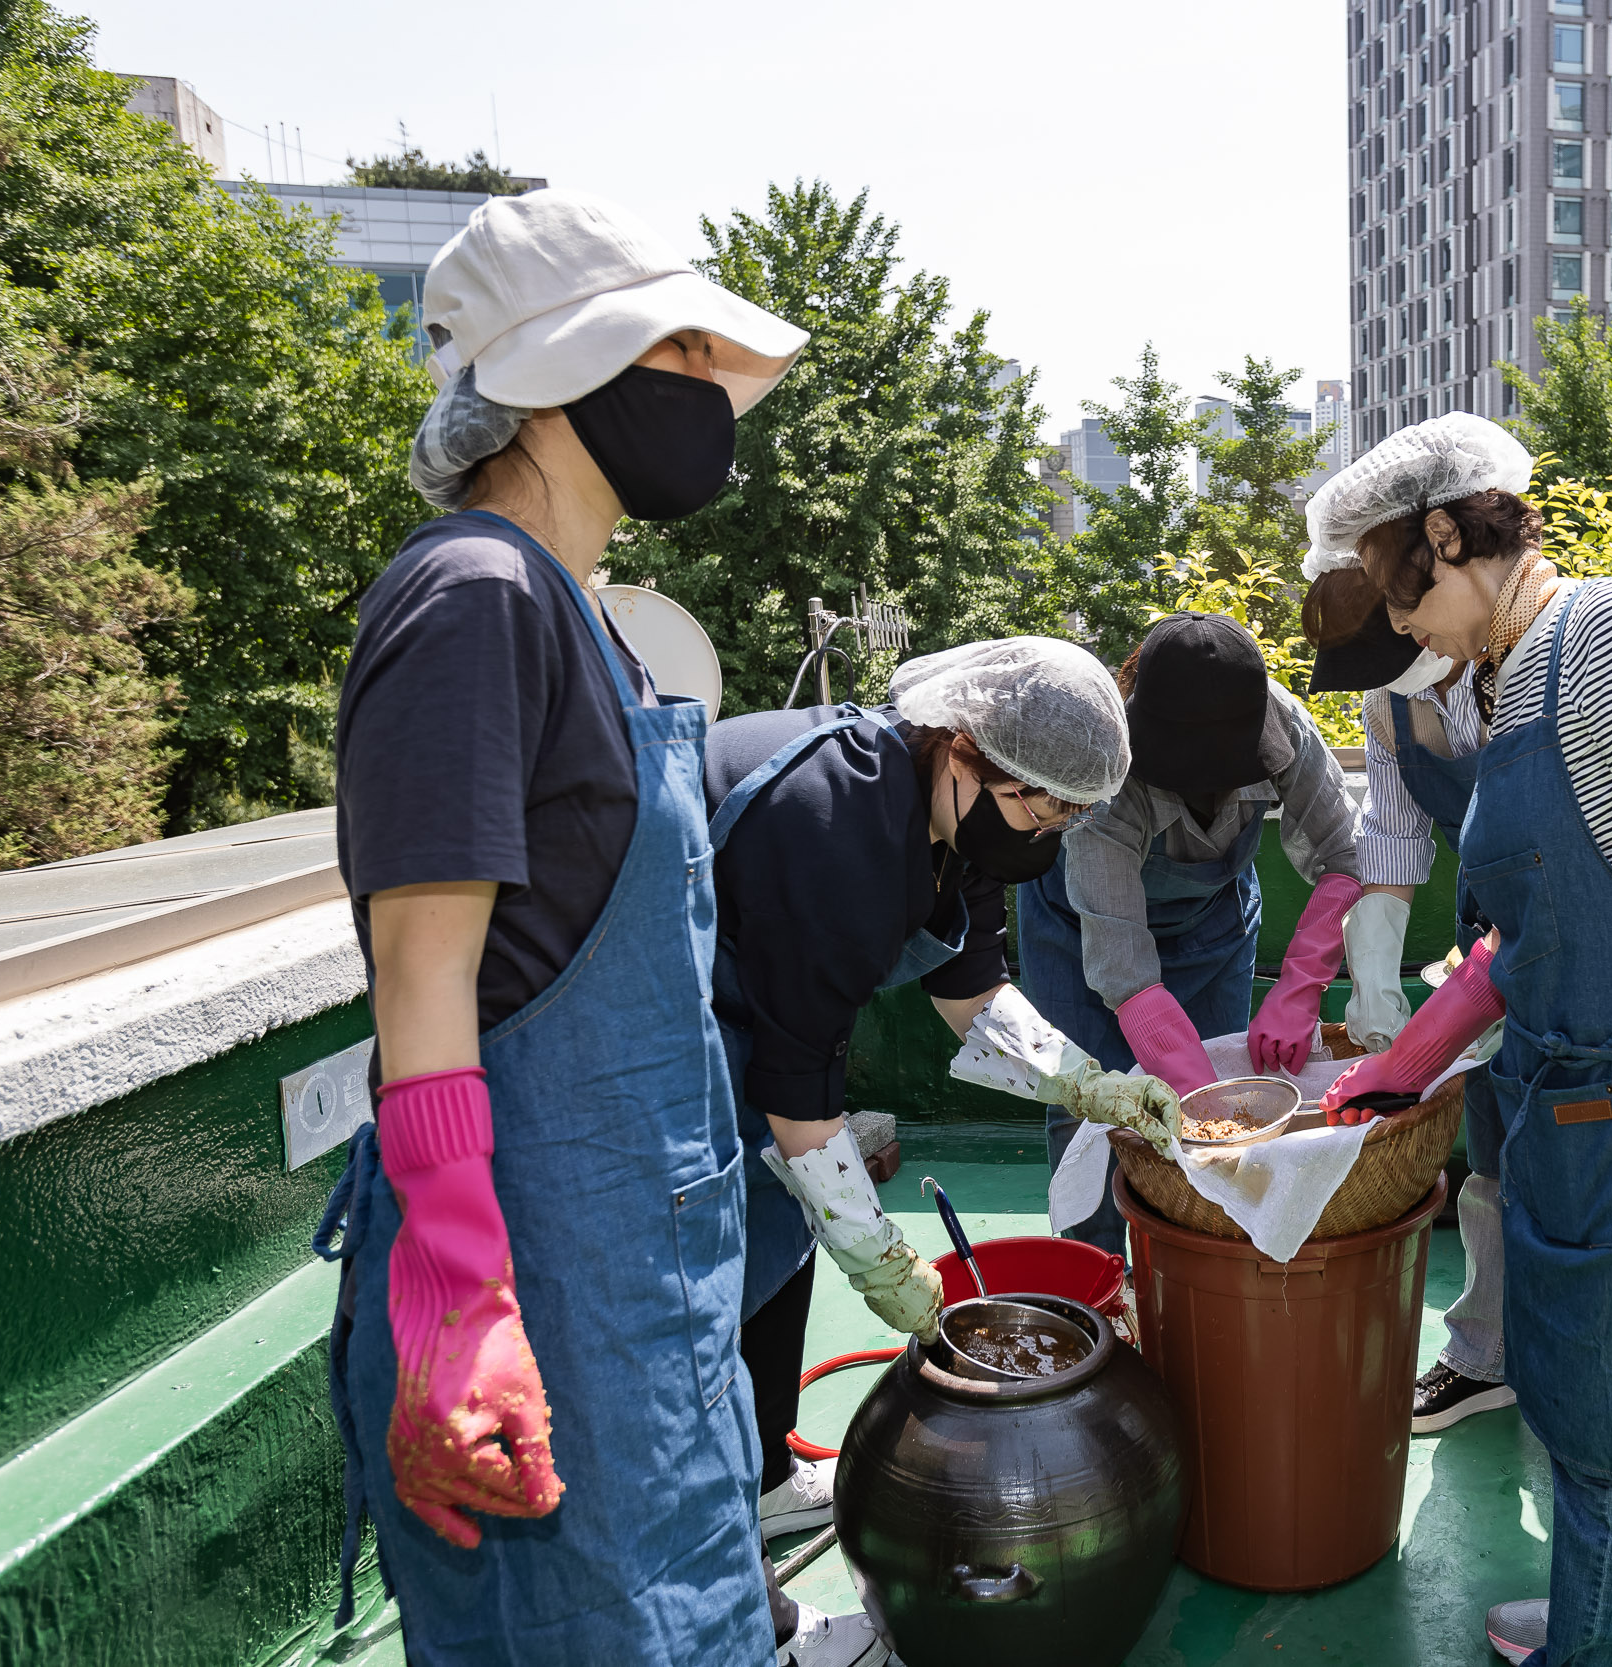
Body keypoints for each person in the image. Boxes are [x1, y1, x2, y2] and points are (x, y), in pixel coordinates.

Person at [322, 189, 808, 1665]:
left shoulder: (588, 611)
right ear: (556, 379)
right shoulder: (472, 597)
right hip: (542, 1276)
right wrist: (460, 1295)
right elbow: (423, 969)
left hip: (641, 1287)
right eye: (673, 352)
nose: (707, 394)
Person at [1310, 412, 1612, 1667]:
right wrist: (1401, 1062)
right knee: (1598, 1372)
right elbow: (1515, 937)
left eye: (1393, 593)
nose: (1397, 630)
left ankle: (1597, 1646)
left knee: (1611, 1402)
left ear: (1444, 535)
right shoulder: (1512, 672)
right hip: (1563, 1088)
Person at [703, 637, 1178, 1663]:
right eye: (1035, 807)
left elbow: (972, 988)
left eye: (1066, 816)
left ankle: (769, 1474)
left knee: (780, 1235)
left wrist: (1087, 1081)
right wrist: (882, 1262)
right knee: (706, 1296)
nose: (1045, 835)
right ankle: (752, 1628)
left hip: (765, 1016)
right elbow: (801, 1095)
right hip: (681, 1024)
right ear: (961, 747)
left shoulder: (957, 820)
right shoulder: (832, 827)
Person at [1019, 611, 1362, 1256]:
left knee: (1233, 1118)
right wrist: (1194, 1096)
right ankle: (1099, 1286)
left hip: (1212, 927)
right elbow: (1123, 968)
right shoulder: (1106, 771)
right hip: (1082, 938)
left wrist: (1300, 986)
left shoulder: (1279, 725)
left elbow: (1348, 860)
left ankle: (1196, 1271)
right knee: (1090, 1117)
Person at [1301, 421, 1513, 1437]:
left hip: (1562, 935)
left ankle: (1567, 1372)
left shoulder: (1523, 653)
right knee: (1491, 1161)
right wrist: (1374, 980)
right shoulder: (1393, 710)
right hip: (1484, 935)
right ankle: (1486, 1357)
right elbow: (1391, 840)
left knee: (1574, 1174)